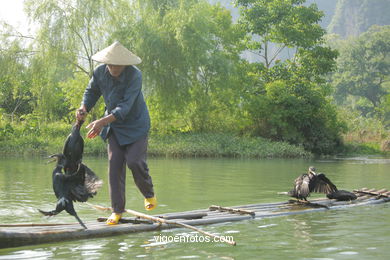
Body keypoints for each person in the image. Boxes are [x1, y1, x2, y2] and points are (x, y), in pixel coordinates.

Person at [76, 41, 156, 225]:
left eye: (117, 64)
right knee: (115, 166)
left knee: (135, 162)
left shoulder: (135, 76)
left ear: (125, 64)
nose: (113, 68)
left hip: (136, 125)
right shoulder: (99, 73)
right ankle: (117, 211)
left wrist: (101, 122)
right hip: (114, 127)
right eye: (110, 64)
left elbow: (124, 108)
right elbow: (91, 92)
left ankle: (149, 194)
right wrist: (84, 108)